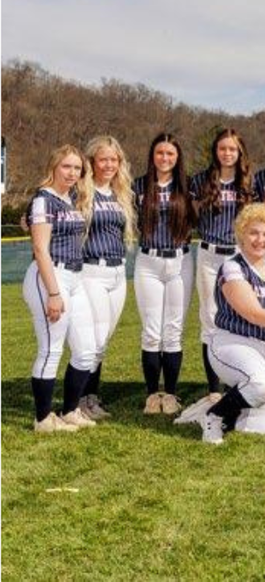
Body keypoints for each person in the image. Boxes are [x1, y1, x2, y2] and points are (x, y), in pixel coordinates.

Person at [21, 145, 94, 431]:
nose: (72, 172)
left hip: (75, 278)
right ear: (53, 166)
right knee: (51, 349)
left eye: (77, 168)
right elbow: (40, 248)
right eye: (66, 166)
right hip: (50, 277)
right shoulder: (44, 200)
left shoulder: (72, 197)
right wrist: (53, 293)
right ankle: (43, 418)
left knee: (86, 351)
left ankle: (70, 410)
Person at [182, 202, 265, 445]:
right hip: (231, 343)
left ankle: (236, 415)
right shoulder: (232, 267)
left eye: (264, 233)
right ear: (241, 235)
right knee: (260, 383)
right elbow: (253, 313)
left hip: (260, 344)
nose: (260, 239)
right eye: (253, 233)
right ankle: (214, 416)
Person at [186, 129, 251, 417]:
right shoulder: (201, 181)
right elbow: (181, 212)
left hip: (241, 255)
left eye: (233, 149)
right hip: (210, 254)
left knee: (245, 316)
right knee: (211, 319)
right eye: (222, 148)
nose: (227, 153)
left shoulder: (251, 181)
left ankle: (245, 382)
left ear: (240, 152)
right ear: (215, 151)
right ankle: (214, 389)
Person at [74, 136, 134, 419]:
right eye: (103, 159)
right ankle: (79, 400)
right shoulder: (81, 192)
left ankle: (91, 398)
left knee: (104, 341)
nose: (109, 164)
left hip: (118, 272)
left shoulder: (121, 193)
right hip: (91, 271)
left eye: (114, 159)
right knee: (93, 339)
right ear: (92, 162)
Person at [132, 133, 192, 414]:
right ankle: (151, 395)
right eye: (159, 153)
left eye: (170, 153)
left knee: (173, 332)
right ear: (152, 155)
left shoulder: (188, 185)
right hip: (148, 262)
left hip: (180, 262)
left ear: (177, 157)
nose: (164, 158)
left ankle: (171, 394)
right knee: (151, 332)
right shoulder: (139, 186)